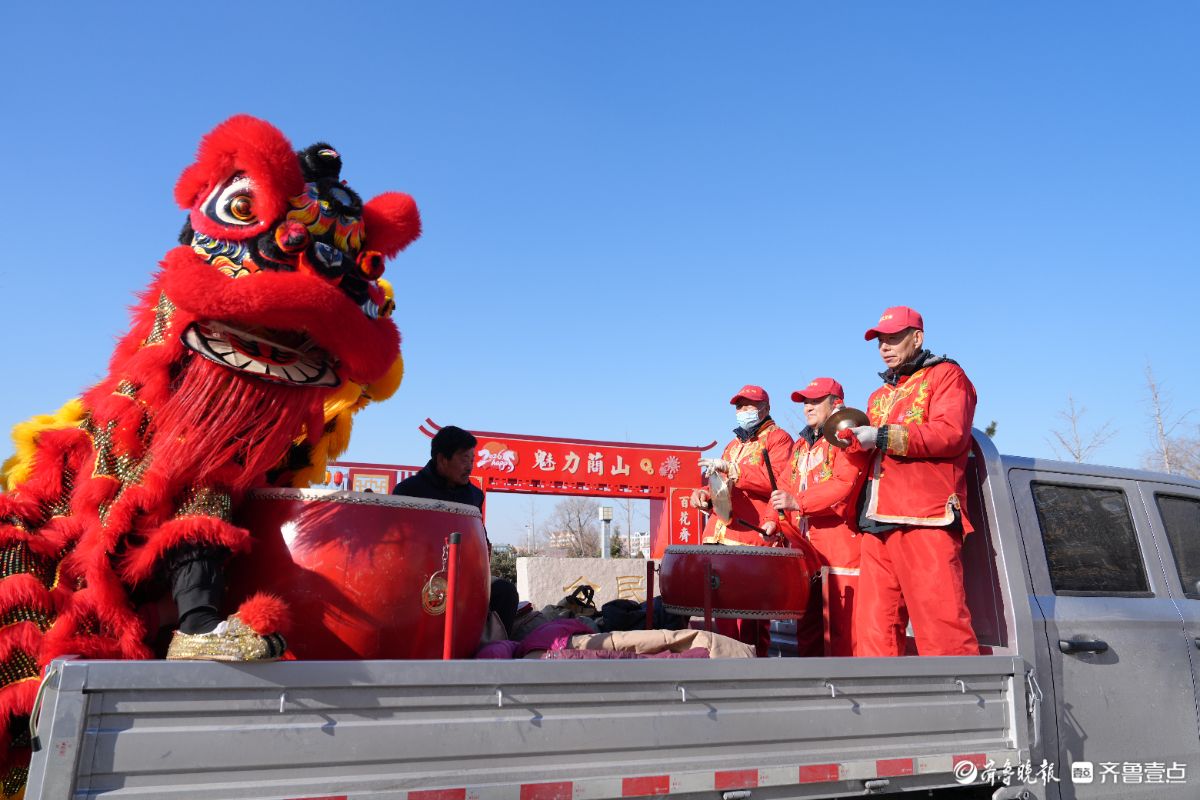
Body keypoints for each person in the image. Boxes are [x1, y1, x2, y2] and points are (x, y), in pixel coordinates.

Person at [841, 306, 979, 657]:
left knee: (941, 626)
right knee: (874, 629)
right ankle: (877, 692)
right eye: (880, 341)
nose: (884, 347)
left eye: (893, 338)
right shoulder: (878, 396)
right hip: (876, 521)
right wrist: (853, 443)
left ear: (917, 338)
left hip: (924, 516)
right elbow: (871, 456)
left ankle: (961, 692)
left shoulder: (946, 375)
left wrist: (881, 436)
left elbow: (951, 434)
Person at [762, 377, 866, 657]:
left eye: (816, 400)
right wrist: (771, 520)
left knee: (843, 632)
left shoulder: (846, 438)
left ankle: (846, 683)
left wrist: (799, 502)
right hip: (806, 552)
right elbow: (783, 485)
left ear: (837, 404)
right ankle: (812, 682)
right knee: (807, 630)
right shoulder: (800, 445)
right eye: (805, 401)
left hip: (840, 550)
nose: (807, 407)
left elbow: (845, 485)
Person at [689, 385, 794, 655]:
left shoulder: (779, 439)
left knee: (751, 616)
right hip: (719, 536)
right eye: (739, 406)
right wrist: (704, 496)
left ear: (766, 408)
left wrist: (734, 469)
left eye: (749, 405)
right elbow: (720, 485)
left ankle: (754, 668)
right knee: (721, 612)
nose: (743, 411)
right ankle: (724, 662)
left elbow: (777, 481)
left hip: (751, 537)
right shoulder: (733, 445)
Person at [392, 425, 519, 637]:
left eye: (472, 459)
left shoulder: (474, 495)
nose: (470, 466)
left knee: (505, 592)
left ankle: (491, 648)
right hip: (420, 577)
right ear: (442, 459)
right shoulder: (408, 492)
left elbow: (480, 537)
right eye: (464, 459)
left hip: (465, 577)